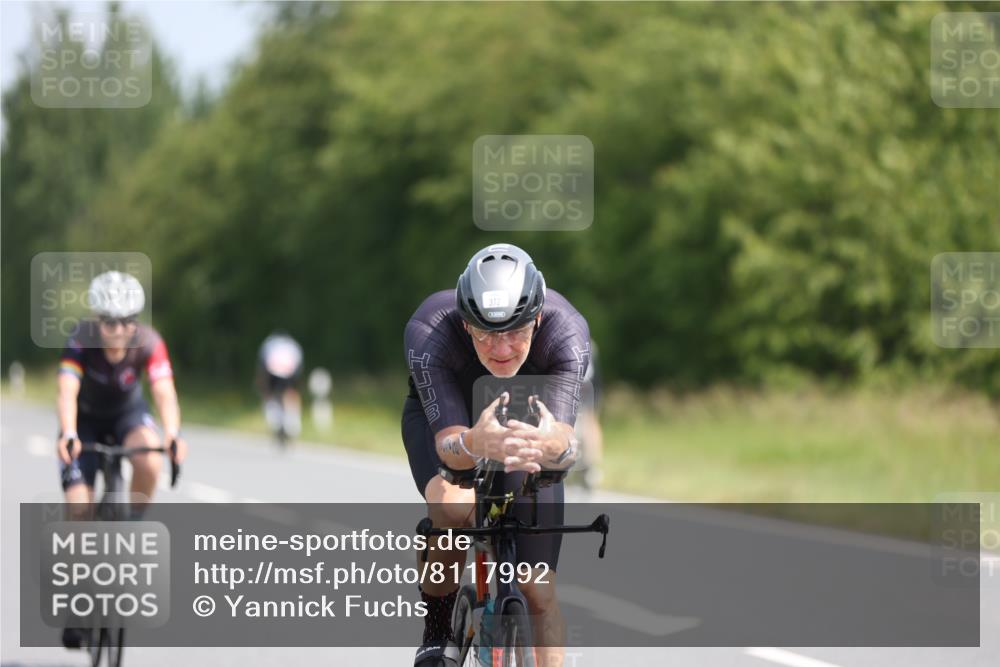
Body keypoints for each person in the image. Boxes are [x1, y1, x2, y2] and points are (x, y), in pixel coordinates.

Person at [403, 243, 590, 667]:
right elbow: (449, 446)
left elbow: (564, 439)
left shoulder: (566, 332)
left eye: (516, 332)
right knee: (451, 507)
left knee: (538, 591)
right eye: (485, 332)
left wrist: (552, 447)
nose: (501, 348)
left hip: (526, 427)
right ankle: (437, 633)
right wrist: (472, 444)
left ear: (538, 318)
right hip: (449, 417)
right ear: (466, 325)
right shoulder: (430, 329)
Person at [56, 271, 187, 648]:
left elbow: (164, 392)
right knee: (79, 509)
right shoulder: (80, 340)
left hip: (128, 415)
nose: (119, 329)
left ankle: (131, 526)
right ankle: (78, 601)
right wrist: (67, 432)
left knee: (149, 458)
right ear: (98, 320)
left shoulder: (149, 342)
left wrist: (173, 433)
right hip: (84, 421)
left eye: (128, 320)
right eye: (111, 321)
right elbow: (67, 390)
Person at [255, 331, 304, 444]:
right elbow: (299, 367)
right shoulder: (293, 345)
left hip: (272, 369)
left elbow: (262, 366)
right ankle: (293, 422)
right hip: (289, 369)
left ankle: (273, 417)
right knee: (291, 393)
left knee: (268, 393)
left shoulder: (269, 343)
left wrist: (262, 384)